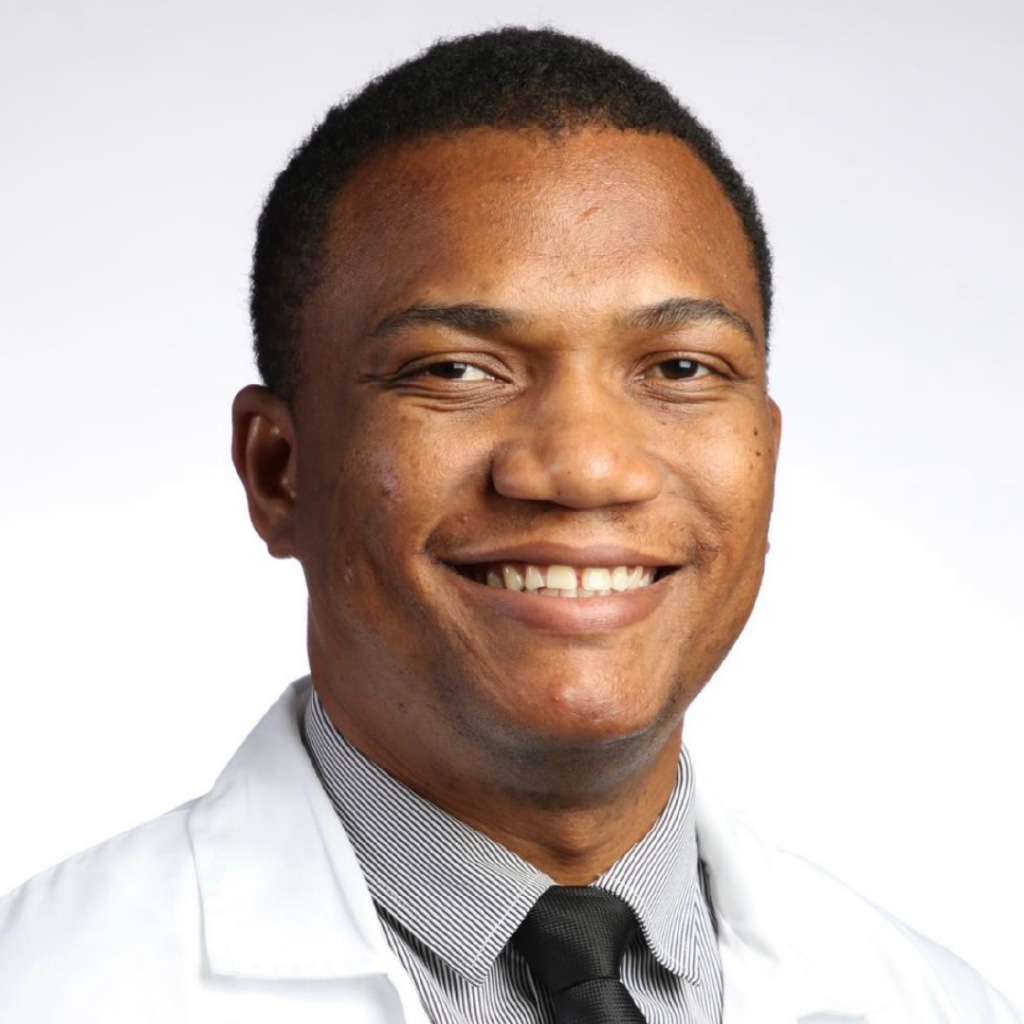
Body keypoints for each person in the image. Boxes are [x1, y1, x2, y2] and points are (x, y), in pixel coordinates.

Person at [0, 26, 1018, 1024]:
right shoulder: (47, 987)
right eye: (454, 370)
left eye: (679, 369)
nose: (584, 467)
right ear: (279, 471)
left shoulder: (935, 1000)